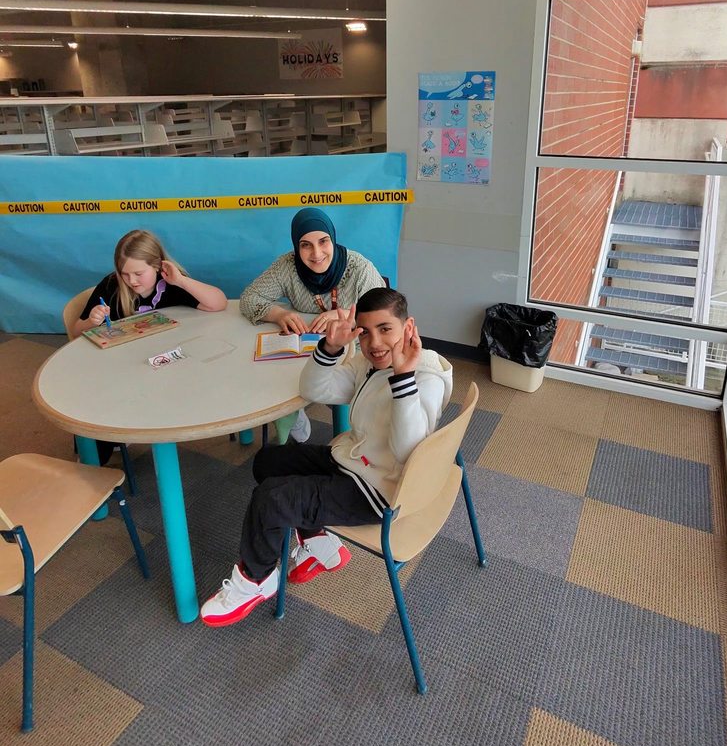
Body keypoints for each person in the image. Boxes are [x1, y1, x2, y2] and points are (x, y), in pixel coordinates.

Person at [201, 287, 452, 627]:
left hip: (381, 491)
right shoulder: (368, 362)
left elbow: (407, 452)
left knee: (272, 499)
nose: (375, 343)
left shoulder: (425, 377)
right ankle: (321, 543)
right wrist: (332, 347)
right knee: (268, 462)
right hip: (354, 462)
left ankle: (256, 580)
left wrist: (402, 377)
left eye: (386, 329)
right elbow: (313, 390)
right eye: (365, 332)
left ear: (409, 328)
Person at [72, 228, 227, 462]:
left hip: (168, 369)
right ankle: (97, 455)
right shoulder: (112, 286)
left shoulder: (172, 283)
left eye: (138, 273)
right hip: (120, 371)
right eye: (124, 274)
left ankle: (141, 425)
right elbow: (76, 333)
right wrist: (89, 322)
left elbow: (218, 303)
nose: (131, 281)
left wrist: (181, 281)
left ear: (157, 265)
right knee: (93, 405)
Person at [239, 207, 385, 442]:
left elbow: (383, 313)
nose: (316, 253)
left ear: (333, 238)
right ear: (296, 246)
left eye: (323, 241)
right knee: (275, 378)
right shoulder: (287, 266)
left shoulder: (359, 268)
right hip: (307, 350)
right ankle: (292, 416)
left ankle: (345, 432)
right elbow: (249, 299)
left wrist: (344, 314)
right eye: (305, 244)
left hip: (354, 351)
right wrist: (278, 314)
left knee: (351, 402)